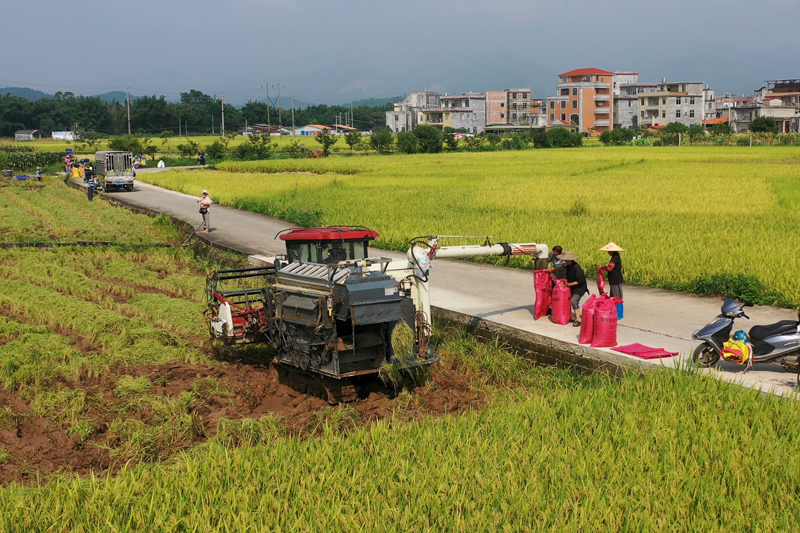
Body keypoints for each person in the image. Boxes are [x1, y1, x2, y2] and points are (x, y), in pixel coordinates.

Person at [561, 251, 587, 327]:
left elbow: (580, 281)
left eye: (568, 259)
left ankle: (578, 319)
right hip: (572, 287)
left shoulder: (576, 267)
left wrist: (568, 284)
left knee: (574, 301)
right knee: (566, 300)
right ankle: (571, 316)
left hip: (579, 288)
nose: (567, 261)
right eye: (565, 260)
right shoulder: (567, 266)